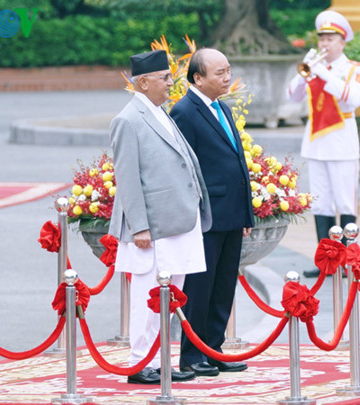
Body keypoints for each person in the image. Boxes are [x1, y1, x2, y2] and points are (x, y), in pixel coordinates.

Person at [109, 49, 209, 384]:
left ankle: (161, 360)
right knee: (147, 298)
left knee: (171, 297)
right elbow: (128, 178)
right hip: (153, 227)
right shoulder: (128, 119)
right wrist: (139, 226)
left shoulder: (158, 111)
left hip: (178, 222)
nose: (171, 83)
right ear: (145, 81)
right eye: (165, 78)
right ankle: (140, 364)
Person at [170, 48, 254, 375]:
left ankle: (214, 348)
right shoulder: (185, 112)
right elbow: (183, 168)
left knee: (223, 286)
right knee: (200, 288)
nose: (227, 77)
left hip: (231, 211)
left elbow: (237, 162)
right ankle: (193, 354)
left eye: (228, 70)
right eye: (219, 73)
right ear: (198, 78)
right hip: (205, 215)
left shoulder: (222, 107)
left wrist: (246, 213)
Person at [286, 10, 360, 278]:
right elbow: (292, 96)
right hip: (317, 142)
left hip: (342, 141)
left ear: (342, 42)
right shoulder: (314, 67)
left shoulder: (354, 68)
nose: (325, 44)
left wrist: (323, 73)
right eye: (322, 38)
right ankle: (326, 262)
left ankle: (347, 259)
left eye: (331, 38)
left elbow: (352, 99)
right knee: (320, 204)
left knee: (345, 203)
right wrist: (306, 72)